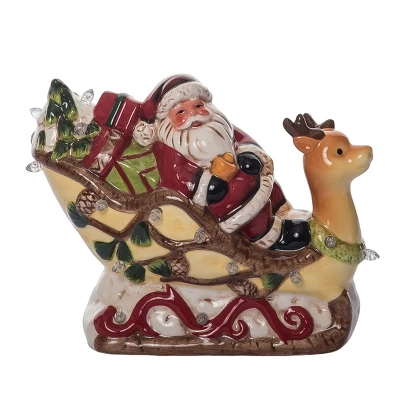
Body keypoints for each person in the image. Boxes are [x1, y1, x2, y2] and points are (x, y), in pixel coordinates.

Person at [132, 75, 309, 250]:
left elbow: (243, 141)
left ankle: (282, 210)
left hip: (245, 174)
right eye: (181, 112)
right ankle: (271, 236)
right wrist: (211, 183)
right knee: (248, 208)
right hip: (222, 201)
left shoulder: (218, 126)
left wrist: (250, 155)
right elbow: (177, 178)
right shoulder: (170, 149)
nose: (193, 114)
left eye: (198, 106)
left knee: (268, 184)